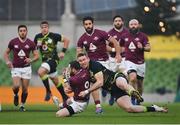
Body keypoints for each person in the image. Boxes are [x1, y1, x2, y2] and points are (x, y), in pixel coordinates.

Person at [77, 53, 167, 113]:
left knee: (121, 84)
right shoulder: (83, 71)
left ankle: (132, 92)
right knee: (129, 108)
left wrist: (86, 91)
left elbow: (100, 83)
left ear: (88, 59)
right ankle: (154, 108)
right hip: (113, 90)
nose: (82, 62)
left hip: (116, 77)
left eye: (84, 59)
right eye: (80, 61)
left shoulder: (94, 65)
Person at [76, 16, 121, 113]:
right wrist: (79, 63)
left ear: (92, 24)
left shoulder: (101, 33)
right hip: (92, 64)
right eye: (86, 24)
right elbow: (79, 53)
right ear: (84, 25)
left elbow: (115, 42)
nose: (88, 26)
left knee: (111, 83)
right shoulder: (81, 39)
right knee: (94, 83)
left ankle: (111, 93)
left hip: (104, 62)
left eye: (89, 24)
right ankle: (98, 107)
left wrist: (118, 54)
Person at [4, 25, 39, 111]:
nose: (22, 32)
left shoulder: (31, 43)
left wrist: (31, 59)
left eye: (24, 30)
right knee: (16, 86)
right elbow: (6, 53)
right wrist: (8, 61)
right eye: (21, 31)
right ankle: (15, 95)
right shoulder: (13, 42)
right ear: (18, 32)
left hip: (26, 68)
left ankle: (22, 105)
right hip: (15, 68)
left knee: (25, 90)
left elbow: (37, 55)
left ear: (26, 32)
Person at [34, 21, 69, 102]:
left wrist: (63, 52)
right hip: (45, 62)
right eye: (42, 27)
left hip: (53, 60)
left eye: (45, 27)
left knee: (40, 72)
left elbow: (67, 40)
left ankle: (48, 91)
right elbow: (35, 50)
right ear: (40, 28)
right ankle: (65, 97)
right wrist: (37, 46)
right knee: (55, 80)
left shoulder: (53, 36)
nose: (44, 29)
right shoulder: (37, 37)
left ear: (48, 28)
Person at [120, 19, 151, 105]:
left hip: (141, 62)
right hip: (129, 61)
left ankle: (138, 99)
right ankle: (132, 97)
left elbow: (149, 48)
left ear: (138, 25)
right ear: (129, 26)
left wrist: (143, 48)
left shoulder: (143, 36)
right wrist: (118, 55)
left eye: (135, 24)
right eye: (131, 24)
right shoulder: (124, 36)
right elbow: (120, 46)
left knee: (140, 84)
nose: (133, 26)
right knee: (132, 78)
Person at [106, 15, 129, 105]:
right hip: (112, 58)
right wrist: (115, 50)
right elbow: (105, 46)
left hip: (125, 58)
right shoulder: (110, 33)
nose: (118, 22)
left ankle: (127, 96)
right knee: (111, 78)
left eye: (119, 20)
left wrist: (125, 49)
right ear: (113, 23)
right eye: (116, 21)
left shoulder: (127, 32)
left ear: (122, 22)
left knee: (126, 76)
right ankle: (112, 94)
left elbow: (130, 44)